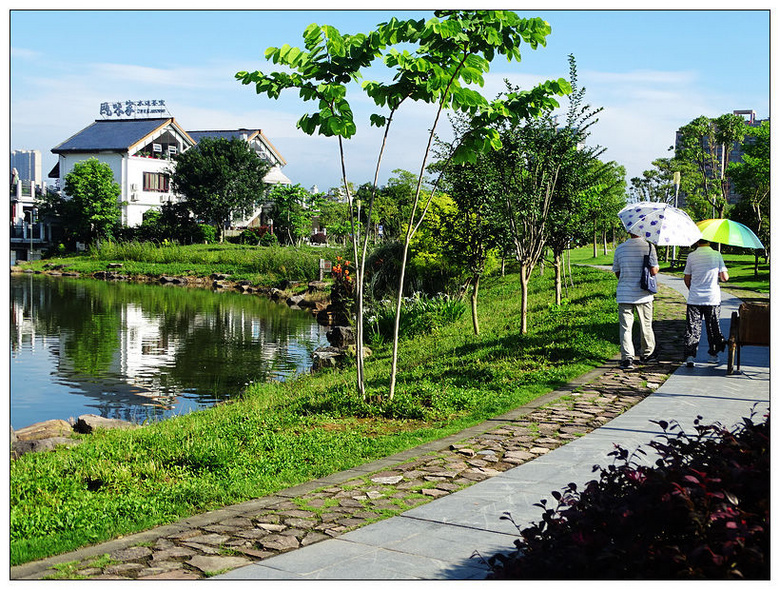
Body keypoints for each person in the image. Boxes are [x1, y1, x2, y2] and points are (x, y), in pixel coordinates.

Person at [612, 233, 659, 370]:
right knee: (646, 325)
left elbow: (617, 271)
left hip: (624, 293)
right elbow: (654, 270)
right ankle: (647, 354)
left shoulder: (620, 248)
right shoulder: (649, 247)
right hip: (643, 294)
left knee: (626, 327)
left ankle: (627, 358)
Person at [683, 239, 729, 367]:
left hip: (694, 298)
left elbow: (687, 278)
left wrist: (692, 289)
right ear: (710, 241)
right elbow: (724, 277)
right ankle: (713, 355)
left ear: (697, 242)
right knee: (712, 327)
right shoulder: (717, 255)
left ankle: (690, 356)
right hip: (712, 298)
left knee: (692, 327)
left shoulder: (691, 256)